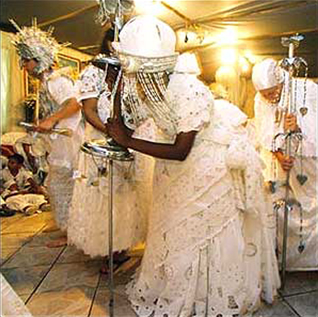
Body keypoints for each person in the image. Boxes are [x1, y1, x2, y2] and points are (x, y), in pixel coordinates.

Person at [107, 15, 280, 317]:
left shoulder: (190, 90)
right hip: (169, 171)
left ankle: (205, 297)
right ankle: (171, 287)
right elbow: (133, 121)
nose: (131, 76)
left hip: (203, 170)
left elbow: (181, 150)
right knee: (170, 230)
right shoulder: (150, 88)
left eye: (132, 70)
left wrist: (127, 141)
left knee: (194, 230)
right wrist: (118, 90)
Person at [67, 30, 154, 271]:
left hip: (128, 141)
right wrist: (110, 133)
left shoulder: (131, 74)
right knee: (105, 197)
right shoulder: (93, 73)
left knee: (126, 196)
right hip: (101, 144)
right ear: (106, 45)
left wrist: (129, 133)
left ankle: (122, 247)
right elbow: (90, 110)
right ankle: (107, 250)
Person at [11, 20, 83, 247]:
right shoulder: (47, 83)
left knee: (64, 186)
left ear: (38, 59)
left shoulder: (57, 81)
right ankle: (67, 226)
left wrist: (51, 120)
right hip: (60, 143)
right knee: (58, 185)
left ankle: (71, 232)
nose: (24, 66)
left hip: (68, 144)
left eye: (26, 61)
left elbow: (74, 104)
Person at [252, 58, 318, 270]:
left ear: (281, 81)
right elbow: (264, 130)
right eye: (265, 93)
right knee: (279, 205)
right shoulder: (260, 99)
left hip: (309, 160)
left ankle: (311, 261)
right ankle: (285, 260)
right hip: (280, 161)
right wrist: (280, 155)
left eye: (273, 91)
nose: (270, 97)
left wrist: (299, 126)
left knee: (311, 206)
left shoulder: (307, 88)